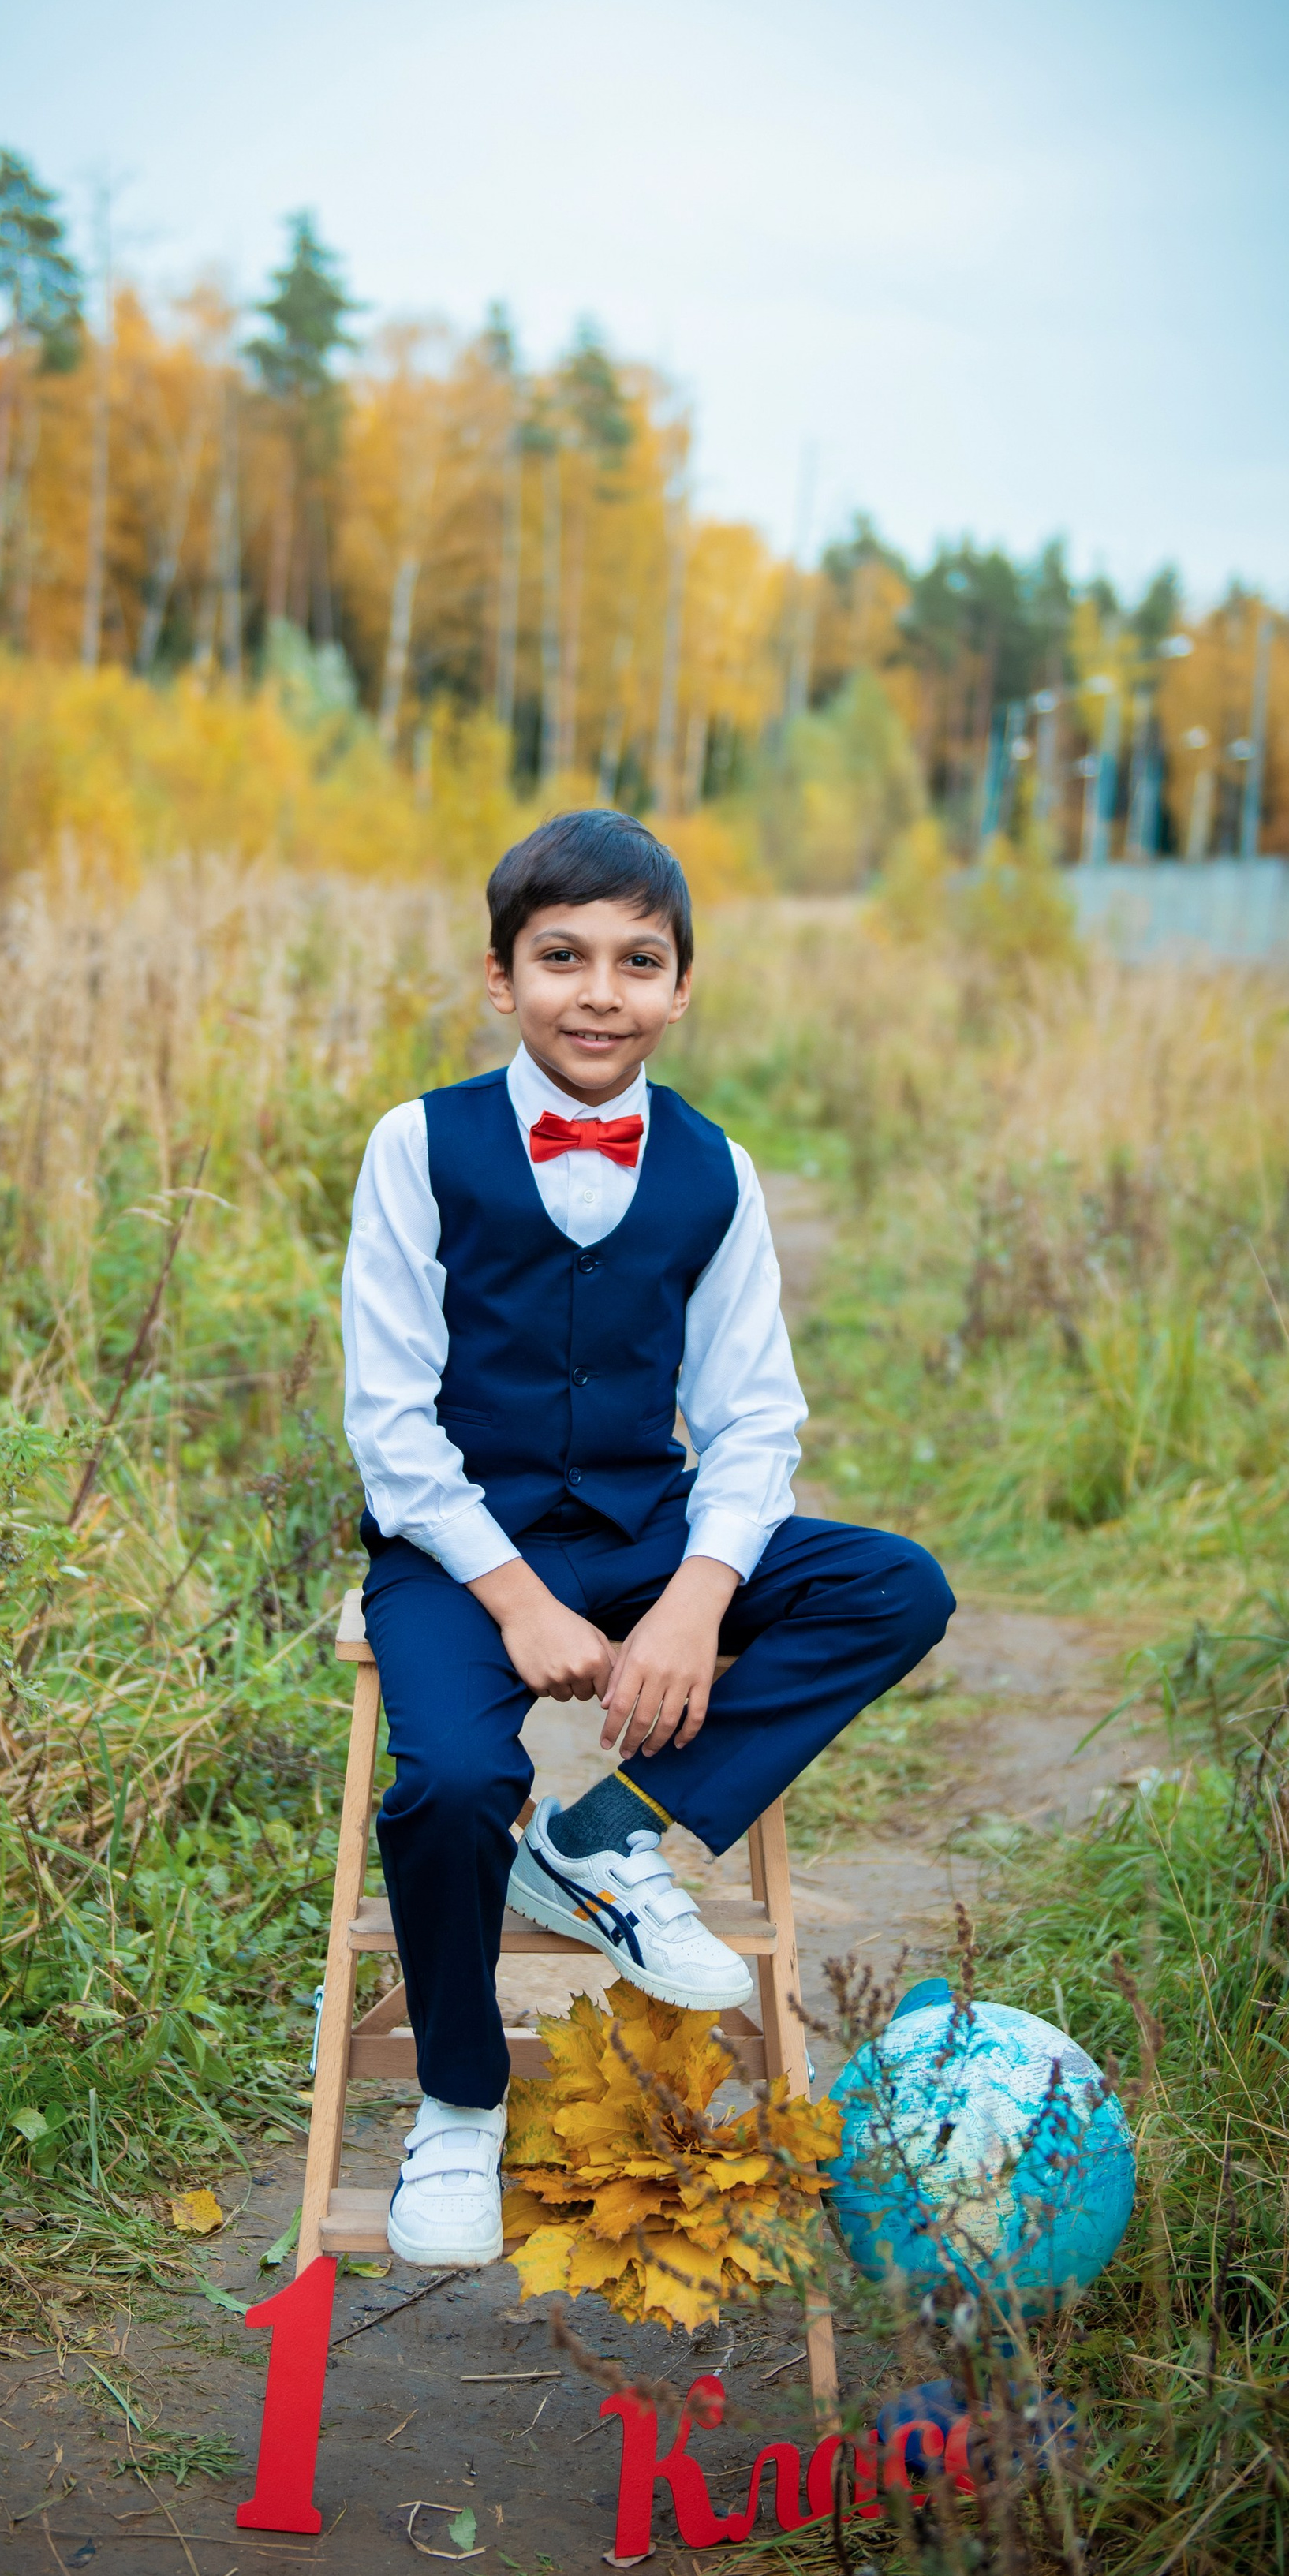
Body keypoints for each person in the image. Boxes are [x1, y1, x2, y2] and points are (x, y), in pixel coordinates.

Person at [341, 808, 955, 2265]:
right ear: (502, 978)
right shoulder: (418, 1146)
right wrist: (517, 1604)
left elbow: (753, 1420)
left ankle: (609, 1837)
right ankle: (458, 2106)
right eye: (561, 957)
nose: (598, 992)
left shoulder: (714, 1170)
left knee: (893, 1587)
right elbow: (389, 1420)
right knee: (447, 1786)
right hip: (457, 1543)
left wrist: (691, 1602)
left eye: (636, 961)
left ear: (681, 989)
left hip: (642, 1525)